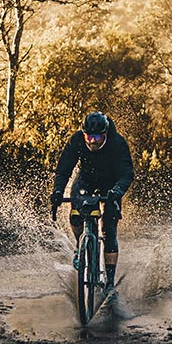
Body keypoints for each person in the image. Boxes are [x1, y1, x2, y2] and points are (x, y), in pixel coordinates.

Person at [51, 111, 134, 290]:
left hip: (111, 184)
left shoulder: (117, 143)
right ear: (84, 134)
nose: (92, 141)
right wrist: (57, 190)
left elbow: (127, 174)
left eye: (97, 137)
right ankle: (80, 246)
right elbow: (64, 169)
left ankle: (109, 280)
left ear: (105, 134)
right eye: (89, 136)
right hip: (86, 180)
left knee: (109, 228)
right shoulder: (76, 140)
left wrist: (117, 191)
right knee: (75, 213)